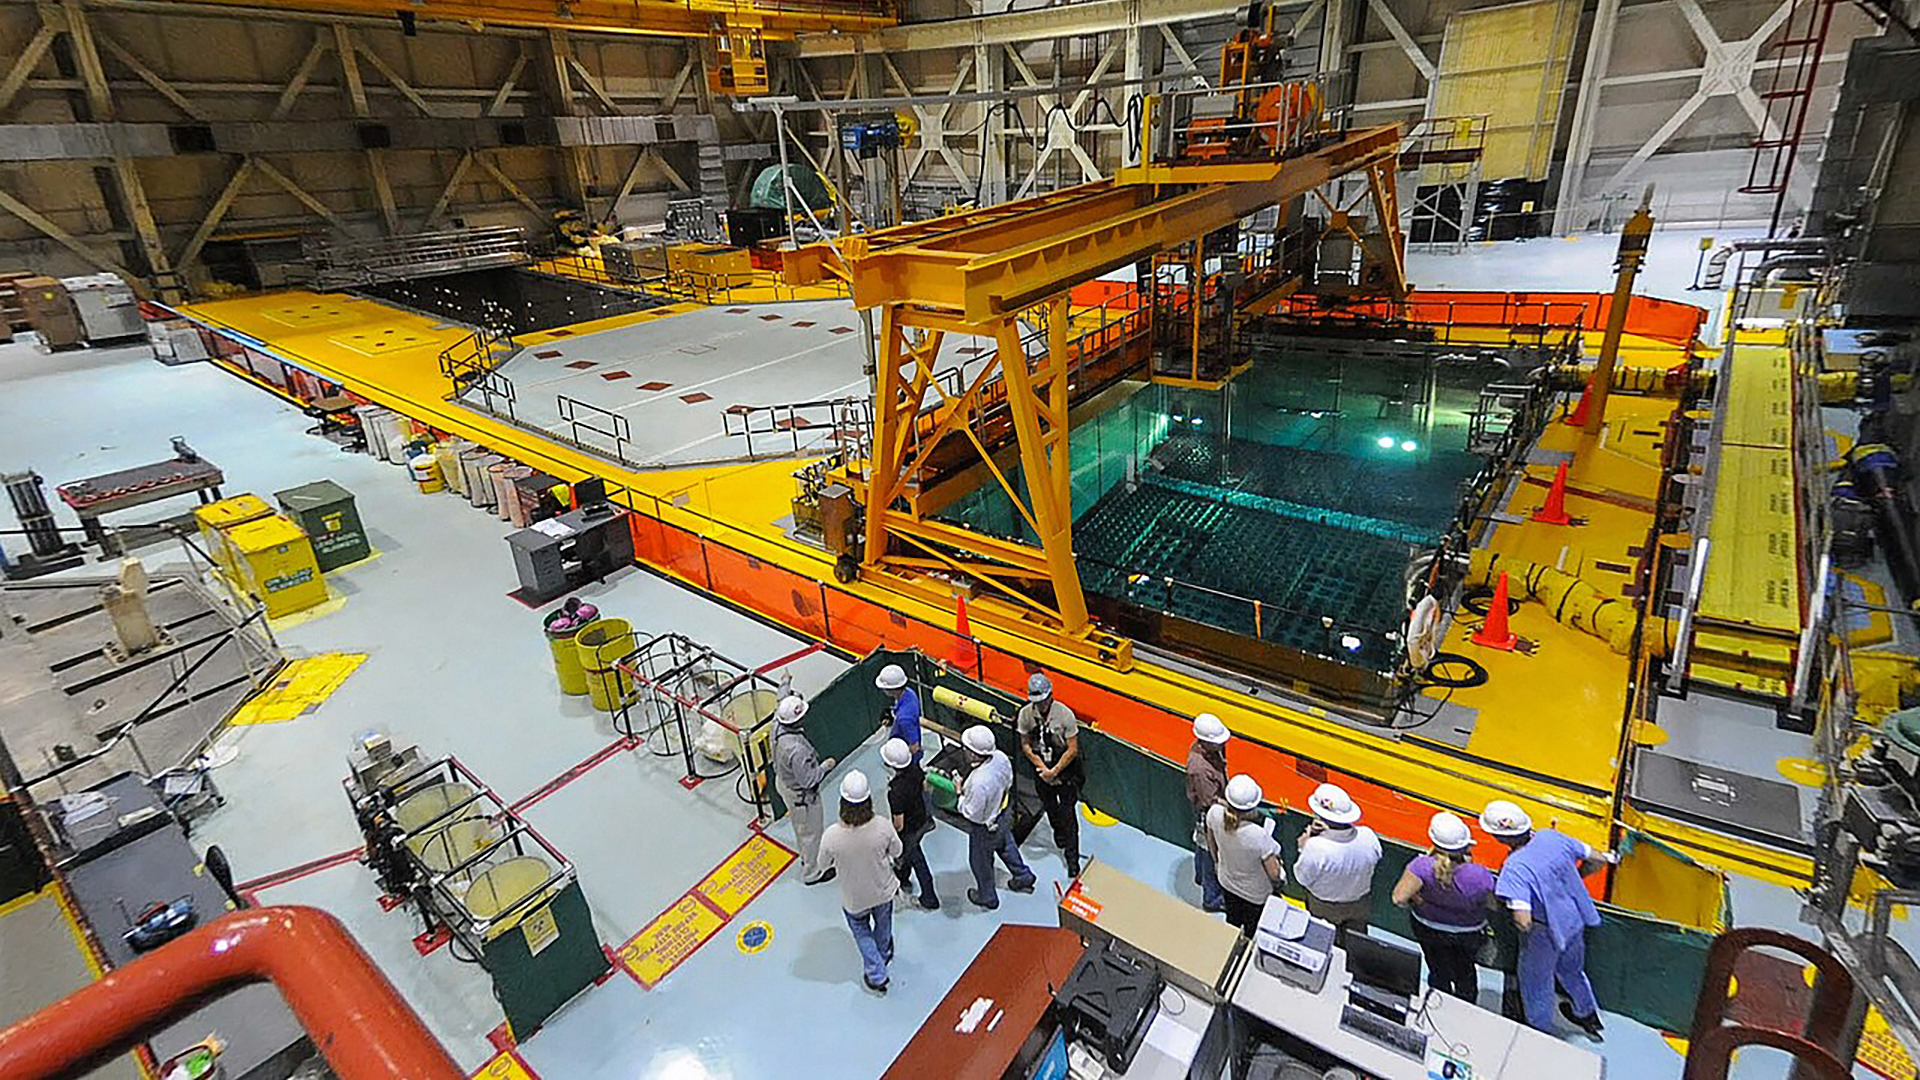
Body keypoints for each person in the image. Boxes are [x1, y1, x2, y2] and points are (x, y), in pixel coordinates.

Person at [1481, 799, 1613, 1040]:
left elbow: (1523, 921)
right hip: (1573, 920)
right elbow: (1599, 859)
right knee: (1573, 971)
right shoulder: (1552, 838)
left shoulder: (1514, 868)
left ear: (1499, 838)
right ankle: (1587, 1014)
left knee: (1536, 984)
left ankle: (1538, 1033)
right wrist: (1575, 876)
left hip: (1544, 933)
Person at [1391, 811, 1497, 1003]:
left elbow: (1399, 898)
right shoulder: (1480, 874)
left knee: (1437, 969)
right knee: (1466, 972)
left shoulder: (1421, 866)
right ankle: (1466, 1005)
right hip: (1468, 932)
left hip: (1428, 928)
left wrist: (1420, 901)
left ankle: (1440, 1001)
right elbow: (1492, 904)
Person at [818, 771, 902, 994]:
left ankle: (876, 974)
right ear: (869, 801)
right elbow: (898, 849)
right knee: (883, 925)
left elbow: (823, 864)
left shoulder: (831, 836)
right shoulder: (882, 826)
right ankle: (883, 954)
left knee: (862, 933)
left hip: (854, 899)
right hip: (882, 891)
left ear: (842, 803)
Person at [958, 724, 1035, 909]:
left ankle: (987, 897)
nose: (964, 751)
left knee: (980, 862)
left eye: (966, 748)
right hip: (1003, 814)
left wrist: (960, 793)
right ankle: (1023, 876)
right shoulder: (1000, 758)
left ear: (974, 754)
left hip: (985, 828)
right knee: (1006, 845)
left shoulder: (978, 782)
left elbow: (972, 814)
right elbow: (1008, 781)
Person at [1293, 782, 1382, 942]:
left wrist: (1303, 847)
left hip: (1324, 906)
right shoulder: (1368, 836)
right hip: (1359, 904)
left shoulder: (1316, 847)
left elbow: (1302, 878)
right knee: (1357, 944)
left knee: (1324, 944)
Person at [1016, 673, 1083, 877]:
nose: (1041, 705)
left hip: (1065, 771)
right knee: (1050, 808)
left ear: (1050, 696)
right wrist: (1041, 768)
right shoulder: (1026, 715)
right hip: (1042, 769)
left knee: (1068, 814)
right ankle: (1058, 833)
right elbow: (1026, 744)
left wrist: (1054, 771)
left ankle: (1072, 858)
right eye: (1037, 701)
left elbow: (1072, 749)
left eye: (1044, 700)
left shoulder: (1065, 715)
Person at [1206, 775, 1285, 935]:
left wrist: (1217, 864)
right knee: (1252, 931)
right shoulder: (1258, 836)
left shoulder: (1214, 813)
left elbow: (1211, 844)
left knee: (1232, 924)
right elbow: (1274, 873)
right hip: (1256, 896)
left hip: (1227, 883)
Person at [770, 694, 836, 885]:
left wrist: (785, 684)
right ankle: (812, 872)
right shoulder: (796, 750)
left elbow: (780, 703)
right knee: (810, 832)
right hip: (802, 797)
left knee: (801, 829)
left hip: (784, 784)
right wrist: (825, 766)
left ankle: (807, 857)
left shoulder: (777, 725)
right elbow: (808, 779)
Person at [881, 736, 940, 910]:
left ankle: (929, 898)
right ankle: (903, 877)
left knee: (916, 858)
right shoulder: (915, 770)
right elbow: (924, 788)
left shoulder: (896, 791)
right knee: (906, 855)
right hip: (922, 820)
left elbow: (898, 824)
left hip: (909, 831)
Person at [1186, 713, 1231, 914]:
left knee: (1201, 845)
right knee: (1209, 853)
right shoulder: (1200, 769)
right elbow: (1209, 801)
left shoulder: (1208, 751)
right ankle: (1211, 898)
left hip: (1210, 808)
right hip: (1209, 814)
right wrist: (1234, 809)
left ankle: (1199, 877)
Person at [874, 663, 922, 761]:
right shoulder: (909, 693)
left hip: (903, 747)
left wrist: (906, 760)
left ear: (892, 690)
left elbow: (914, 746)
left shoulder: (904, 718)